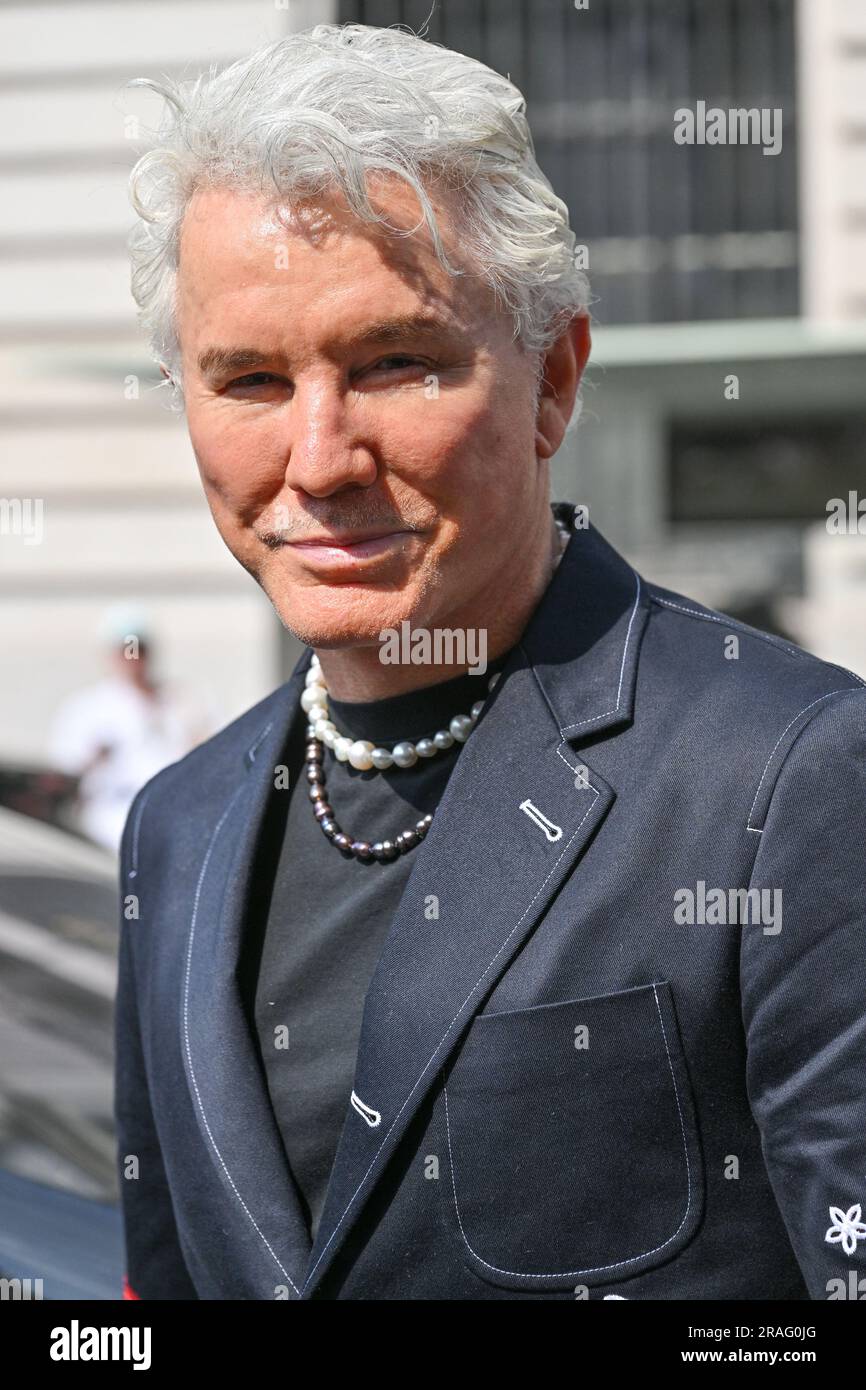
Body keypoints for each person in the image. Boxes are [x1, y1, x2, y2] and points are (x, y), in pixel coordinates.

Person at [114, 23, 866, 1301]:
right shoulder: (173, 832)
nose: (318, 459)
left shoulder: (786, 780)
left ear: (552, 383)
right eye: (246, 378)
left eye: (393, 362)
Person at [48, 612, 213, 852]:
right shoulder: (87, 709)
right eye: (124, 650)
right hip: (112, 816)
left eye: (139, 649)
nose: (133, 658)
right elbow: (65, 773)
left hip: (176, 811)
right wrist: (94, 760)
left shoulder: (182, 700)